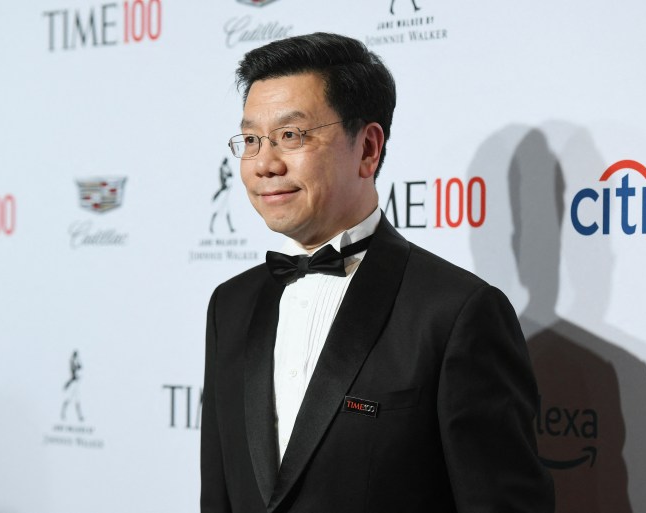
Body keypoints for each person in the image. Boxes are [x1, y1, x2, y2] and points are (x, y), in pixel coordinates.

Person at [201, 32, 554, 513]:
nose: (265, 163)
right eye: (251, 139)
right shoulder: (230, 305)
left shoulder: (454, 315)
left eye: (292, 135)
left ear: (368, 148)